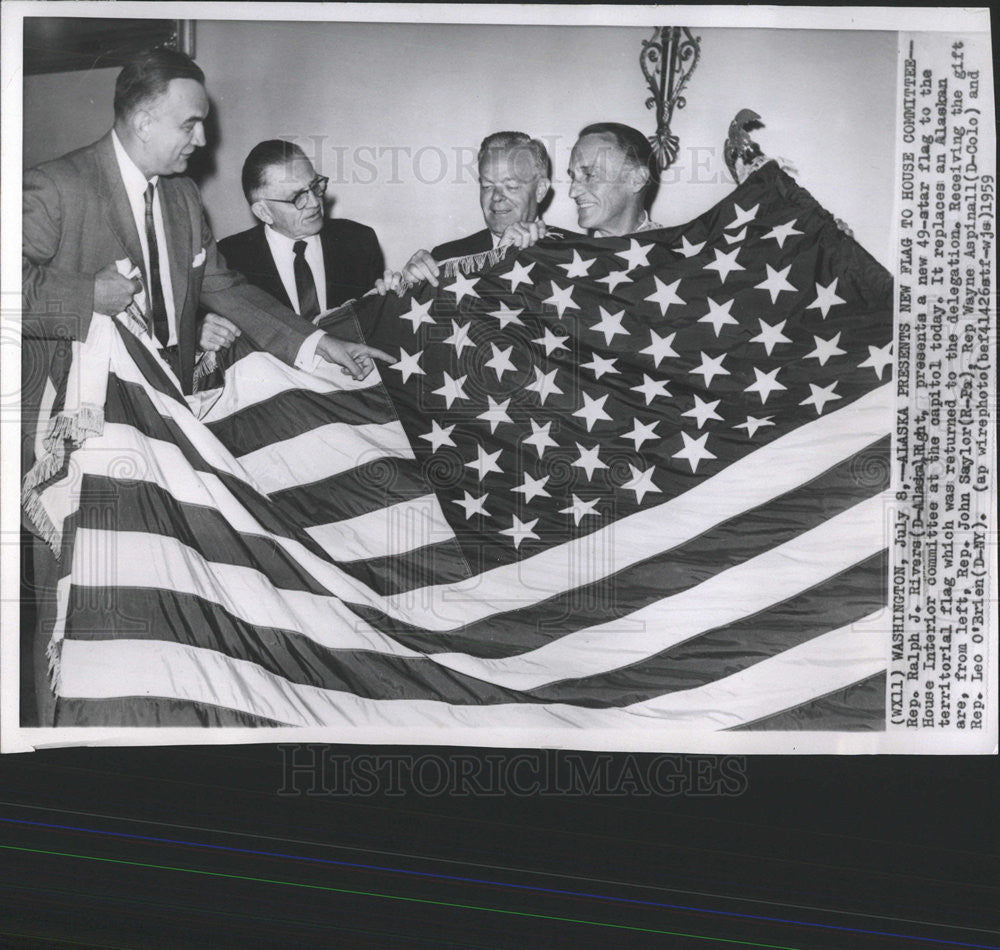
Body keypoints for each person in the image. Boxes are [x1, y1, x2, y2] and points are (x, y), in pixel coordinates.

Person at [21, 47, 392, 724]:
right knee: (72, 611)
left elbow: (223, 286)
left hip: (167, 433)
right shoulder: (57, 187)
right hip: (77, 441)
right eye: (191, 124)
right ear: (142, 118)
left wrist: (314, 342)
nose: (203, 139)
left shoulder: (184, 199)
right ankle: (50, 751)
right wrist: (86, 294)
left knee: (147, 609)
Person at [209, 140, 384, 349]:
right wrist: (203, 330)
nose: (314, 202)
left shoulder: (359, 241)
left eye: (315, 186)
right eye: (297, 197)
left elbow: (378, 325)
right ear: (263, 212)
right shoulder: (227, 259)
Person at [385, 131, 560, 290]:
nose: (496, 197)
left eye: (511, 186)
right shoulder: (446, 258)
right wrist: (403, 291)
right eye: (487, 186)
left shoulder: (568, 257)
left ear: (540, 190)